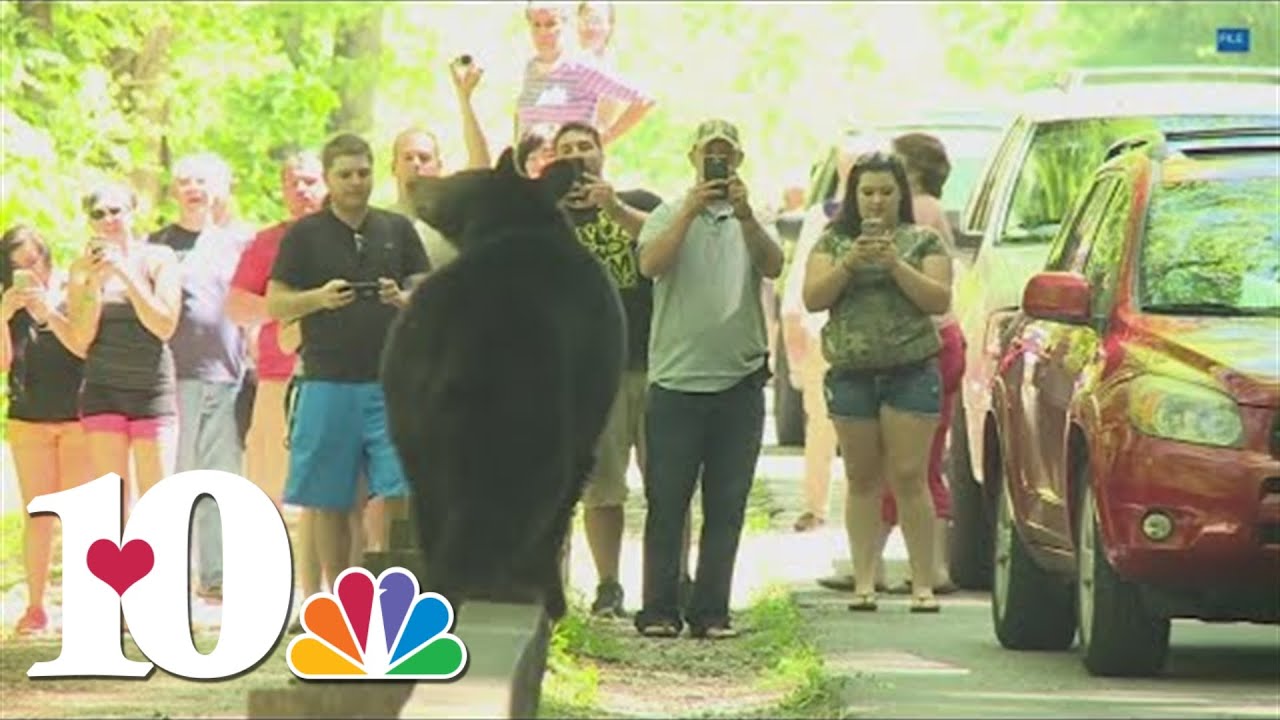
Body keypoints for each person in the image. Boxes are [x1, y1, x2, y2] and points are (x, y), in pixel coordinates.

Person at [634, 119, 784, 638]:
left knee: (727, 504)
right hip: (676, 382)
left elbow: (773, 264)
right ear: (694, 157)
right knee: (667, 502)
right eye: (709, 155)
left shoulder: (753, 215)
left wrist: (742, 215)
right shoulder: (667, 213)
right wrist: (691, 210)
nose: (717, 163)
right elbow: (651, 264)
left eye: (726, 155)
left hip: (738, 382)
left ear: (738, 161)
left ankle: (711, 609)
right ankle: (658, 608)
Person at [266, 133, 429, 592]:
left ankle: (397, 589)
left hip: (392, 381)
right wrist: (318, 298)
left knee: (400, 489)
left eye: (363, 173)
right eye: (345, 175)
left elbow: (430, 294)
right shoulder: (304, 235)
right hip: (326, 381)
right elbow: (276, 304)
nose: (356, 183)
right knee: (326, 496)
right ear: (329, 178)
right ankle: (336, 600)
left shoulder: (397, 229)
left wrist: (403, 297)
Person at [801, 151, 951, 614]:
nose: (876, 202)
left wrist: (894, 265)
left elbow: (938, 299)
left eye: (886, 192)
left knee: (909, 476)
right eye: (867, 192)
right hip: (851, 374)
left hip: (911, 371)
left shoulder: (923, 241)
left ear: (900, 195)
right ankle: (865, 580)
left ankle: (921, 582)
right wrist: (849, 264)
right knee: (862, 477)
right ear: (854, 197)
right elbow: (812, 297)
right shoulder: (832, 242)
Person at [551, 120, 668, 617]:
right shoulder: (548, 221)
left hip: (659, 362)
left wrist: (613, 206)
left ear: (602, 152)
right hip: (594, 374)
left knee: (667, 483)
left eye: (585, 146)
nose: (578, 155)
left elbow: (672, 250)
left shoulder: (642, 201)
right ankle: (608, 585)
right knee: (603, 485)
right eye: (567, 150)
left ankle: (668, 586)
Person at [148, 152, 254, 602]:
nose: (193, 188)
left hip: (229, 376)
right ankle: (169, 575)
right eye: (184, 181)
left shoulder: (236, 244)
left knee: (221, 480)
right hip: (175, 377)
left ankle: (215, 576)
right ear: (174, 192)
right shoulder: (157, 244)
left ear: (216, 189)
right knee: (178, 479)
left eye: (201, 181)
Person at [67, 180, 182, 524]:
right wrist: (94, 285)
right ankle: (121, 578)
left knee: (158, 502)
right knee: (113, 504)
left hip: (150, 390)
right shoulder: (81, 269)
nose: (108, 220)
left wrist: (126, 273)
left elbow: (164, 325)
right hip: (103, 389)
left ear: (133, 213)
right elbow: (82, 338)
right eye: (98, 214)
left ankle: (168, 575)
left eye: (116, 211)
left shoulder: (158, 258)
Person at [1, 224, 90, 635]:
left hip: (78, 418)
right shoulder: (7, 308)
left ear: (47, 261)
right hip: (28, 420)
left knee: (79, 515)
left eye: (32, 263)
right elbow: (3, 364)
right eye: (15, 267)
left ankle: (85, 603)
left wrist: (46, 314)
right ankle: (36, 607)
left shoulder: (71, 296)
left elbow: (83, 347)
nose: (26, 274)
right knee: (39, 515)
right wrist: (4, 316)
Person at [388, 56, 493, 272]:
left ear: (438, 166)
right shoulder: (379, 223)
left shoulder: (453, 217)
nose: (416, 164)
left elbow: (481, 170)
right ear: (393, 167)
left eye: (424, 158)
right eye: (408, 157)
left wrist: (465, 99)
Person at [517, 1, 654, 148]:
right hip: (535, 167)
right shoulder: (531, 68)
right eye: (536, 25)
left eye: (550, 24)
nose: (543, 32)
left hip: (571, 166)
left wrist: (602, 140)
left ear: (566, 25)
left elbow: (643, 100)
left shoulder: (581, 66)